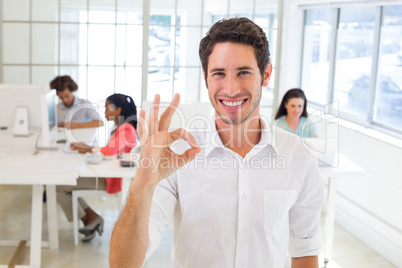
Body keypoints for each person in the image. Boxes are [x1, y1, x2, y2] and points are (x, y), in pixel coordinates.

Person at [109, 18, 324, 268]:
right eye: (219, 73)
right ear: (205, 78)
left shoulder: (299, 157)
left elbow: (305, 252)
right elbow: (122, 263)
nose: (231, 89)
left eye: (243, 72)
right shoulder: (176, 154)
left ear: (265, 74)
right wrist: (142, 184)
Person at [57, 93, 137, 242]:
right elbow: (110, 150)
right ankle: (91, 218)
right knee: (65, 183)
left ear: (118, 110)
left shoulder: (126, 130)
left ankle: (90, 219)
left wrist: (87, 149)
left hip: (110, 180)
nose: (105, 113)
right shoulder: (123, 128)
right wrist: (88, 148)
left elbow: (108, 151)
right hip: (108, 174)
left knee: (61, 186)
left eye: (107, 109)